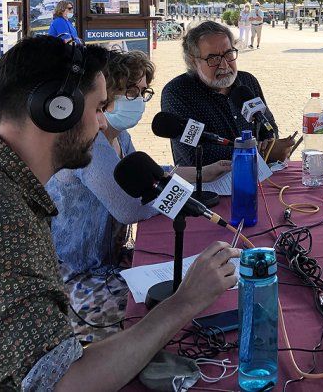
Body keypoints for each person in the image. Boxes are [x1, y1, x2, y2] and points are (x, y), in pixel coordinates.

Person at [0, 36, 239, 390]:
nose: (103, 123)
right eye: (99, 107)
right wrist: (186, 302)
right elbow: (62, 383)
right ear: (57, 110)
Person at [46, 50, 231, 342]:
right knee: (168, 305)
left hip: (112, 260)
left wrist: (201, 173)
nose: (137, 100)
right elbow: (132, 208)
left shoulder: (119, 136)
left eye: (142, 92)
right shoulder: (88, 144)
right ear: (105, 93)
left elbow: (151, 175)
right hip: (78, 277)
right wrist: (184, 195)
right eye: (129, 91)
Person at [161, 20, 296, 166]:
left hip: (260, 176)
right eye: (213, 58)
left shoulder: (247, 81)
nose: (224, 65)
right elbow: (194, 154)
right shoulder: (177, 92)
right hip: (207, 185)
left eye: (228, 54)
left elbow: (268, 127)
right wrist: (258, 152)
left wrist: (271, 144)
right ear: (194, 62)